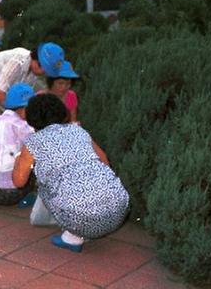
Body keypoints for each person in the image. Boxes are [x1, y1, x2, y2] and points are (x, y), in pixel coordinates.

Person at [12, 94, 130, 252]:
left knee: (44, 183)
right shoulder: (78, 131)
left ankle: (72, 238)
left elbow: (18, 181)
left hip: (82, 219)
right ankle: (82, 225)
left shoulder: (33, 143)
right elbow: (105, 161)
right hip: (118, 211)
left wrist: (18, 160)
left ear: (31, 118)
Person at [0, 42, 66, 129]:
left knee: (13, 122)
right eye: (42, 68)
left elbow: (30, 95)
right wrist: (20, 114)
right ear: (35, 59)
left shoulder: (35, 71)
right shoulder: (18, 61)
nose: (43, 72)